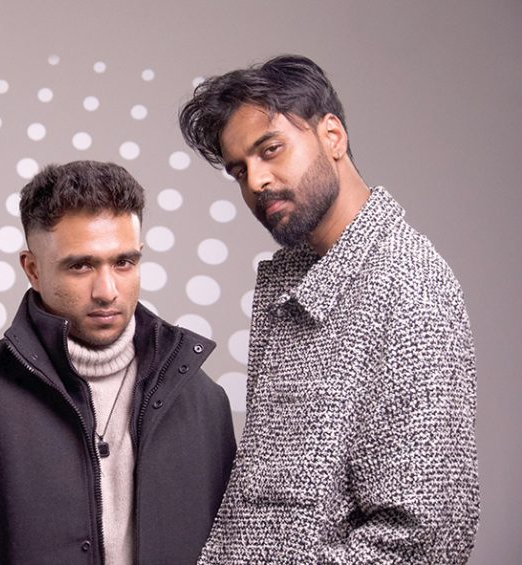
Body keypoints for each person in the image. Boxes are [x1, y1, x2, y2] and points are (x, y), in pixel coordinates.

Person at [0, 160, 236, 564]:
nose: (107, 291)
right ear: (32, 269)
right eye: (81, 265)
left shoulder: (204, 404)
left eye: (124, 262)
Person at [179, 55, 478, 563]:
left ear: (332, 136)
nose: (256, 182)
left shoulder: (407, 286)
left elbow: (428, 537)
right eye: (239, 170)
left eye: (270, 150)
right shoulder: (300, 278)